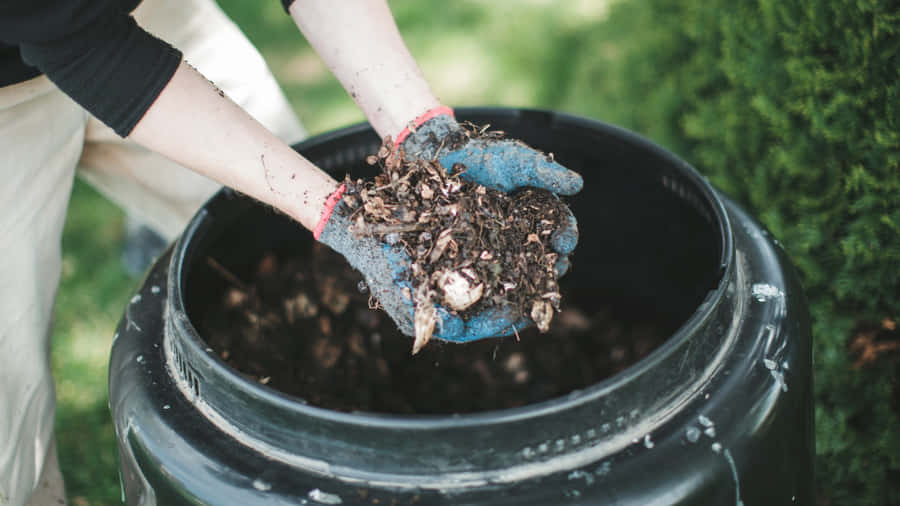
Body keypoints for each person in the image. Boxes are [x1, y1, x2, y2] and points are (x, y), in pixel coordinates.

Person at [0, 0, 583, 504]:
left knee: (286, 266)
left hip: (131, 17)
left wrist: (422, 130)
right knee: (10, 419)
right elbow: (82, 44)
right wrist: (337, 213)